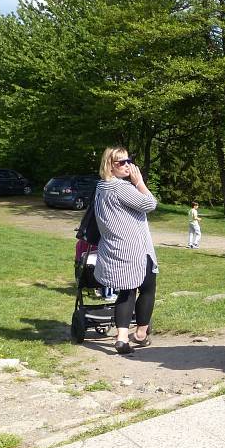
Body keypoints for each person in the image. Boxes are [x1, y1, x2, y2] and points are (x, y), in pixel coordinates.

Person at [93, 147, 158, 355]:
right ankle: (140, 333)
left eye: (129, 161)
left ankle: (122, 338)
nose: (127, 165)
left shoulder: (101, 187)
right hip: (135, 248)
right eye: (121, 162)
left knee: (127, 290)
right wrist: (139, 183)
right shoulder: (120, 187)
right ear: (109, 165)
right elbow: (149, 204)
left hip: (114, 246)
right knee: (148, 287)